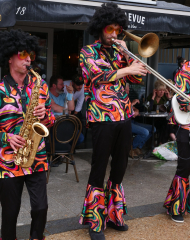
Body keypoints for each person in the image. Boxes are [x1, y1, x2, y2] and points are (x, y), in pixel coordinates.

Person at [78, 3, 147, 240]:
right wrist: (126, 70)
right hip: (101, 117)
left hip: (124, 116)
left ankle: (114, 214)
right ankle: (95, 222)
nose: (114, 34)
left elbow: (139, 76)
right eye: (110, 29)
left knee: (120, 167)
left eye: (118, 29)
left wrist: (128, 54)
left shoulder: (121, 52)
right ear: (100, 28)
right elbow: (98, 77)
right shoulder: (87, 52)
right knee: (98, 168)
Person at [0, 29, 55, 240]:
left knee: (41, 208)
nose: (28, 59)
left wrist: (45, 114)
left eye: (30, 54)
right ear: (10, 57)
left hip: (37, 157)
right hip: (8, 162)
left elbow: (51, 120)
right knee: (10, 214)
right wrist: (6, 138)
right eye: (23, 54)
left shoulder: (41, 87)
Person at [164, 60, 190, 223]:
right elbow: (180, 98)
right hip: (187, 128)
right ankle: (176, 207)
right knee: (184, 169)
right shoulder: (186, 68)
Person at [49, 75, 84, 146]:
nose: (64, 86)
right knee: (58, 141)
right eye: (61, 84)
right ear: (54, 86)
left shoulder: (64, 94)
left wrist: (70, 93)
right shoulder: (47, 94)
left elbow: (71, 108)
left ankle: (66, 149)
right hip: (53, 125)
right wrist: (66, 110)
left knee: (80, 138)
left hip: (66, 123)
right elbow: (55, 107)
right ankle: (61, 151)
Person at [125, 84, 156, 158]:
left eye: (129, 90)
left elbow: (135, 109)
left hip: (132, 122)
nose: (128, 92)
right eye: (127, 90)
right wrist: (132, 106)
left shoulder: (127, 98)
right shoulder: (120, 99)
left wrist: (135, 111)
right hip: (126, 123)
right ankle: (132, 147)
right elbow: (122, 113)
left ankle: (138, 147)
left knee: (153, 129)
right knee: (145, 132)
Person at [147, 80, 172, 144]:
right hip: (152, 120)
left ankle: (161, 142)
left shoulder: (164, 98)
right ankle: (163, 142)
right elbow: (149, 109)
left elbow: (170, 110)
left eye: (163, 90)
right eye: (160, 90)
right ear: (156, 90)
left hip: (162, 120)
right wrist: (153, 97)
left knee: (166, 123)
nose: (162, 92)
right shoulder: (150, 97)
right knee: (166, 124)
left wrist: (169, 98)